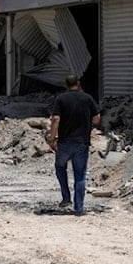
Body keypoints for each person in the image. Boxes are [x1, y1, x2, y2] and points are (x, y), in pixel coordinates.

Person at [48, 74, 100, 216]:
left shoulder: (61, 99)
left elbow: (55, 119)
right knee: (80, 176)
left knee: (60, 167)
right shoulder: (87, 98)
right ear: (78, 83)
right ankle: (79, 209)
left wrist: (52, 139)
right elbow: (96, 119)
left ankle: (66, 197)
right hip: (82, 143)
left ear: (66, 85)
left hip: (64, 142)